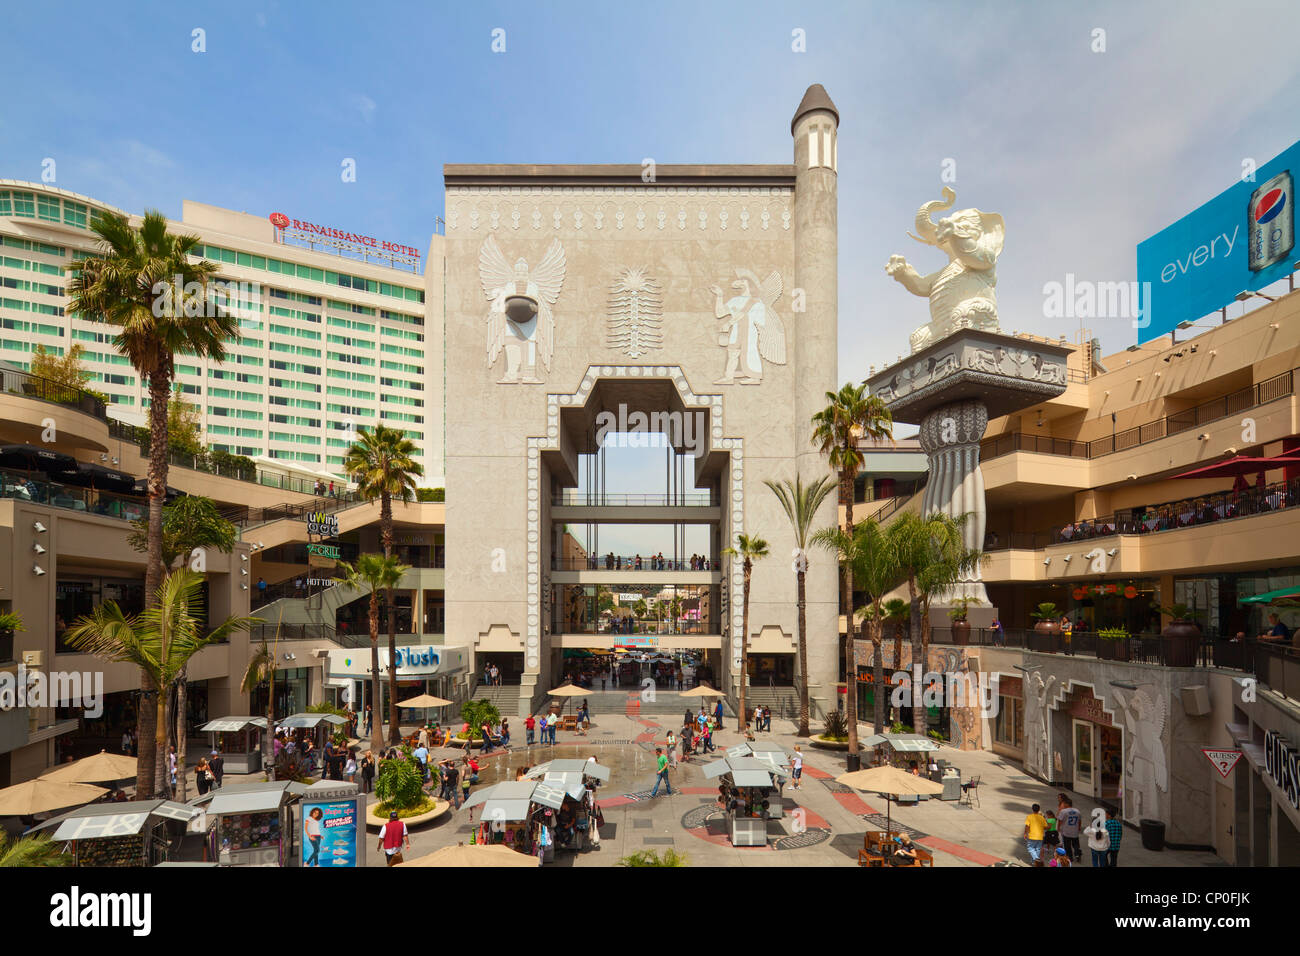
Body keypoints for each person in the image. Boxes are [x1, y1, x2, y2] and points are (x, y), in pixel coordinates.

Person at [1057, 794, 1082, 863]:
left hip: (1066, 831)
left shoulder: (1064, 811)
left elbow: (1060, 820)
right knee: (1076, 844)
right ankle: (1077, 854)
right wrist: (1079, 827)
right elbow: (1079, 820)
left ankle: (1070, 857)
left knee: (1067, 846)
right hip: (1075, 831)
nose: (1064, 805)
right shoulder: (1077, 811)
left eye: (1064, 803)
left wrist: (1058, 828)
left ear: (1067, 804)